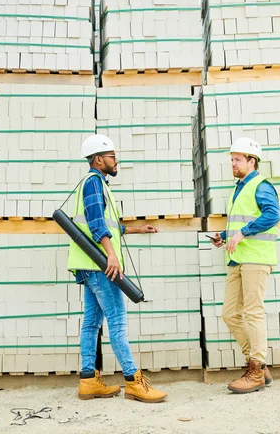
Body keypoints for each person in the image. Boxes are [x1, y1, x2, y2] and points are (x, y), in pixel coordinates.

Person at [68, 134, 167, 403]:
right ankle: (133, 382)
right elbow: (98, 224)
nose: (116, 159)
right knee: (118, 323)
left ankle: (89, 381)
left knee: (91, 324)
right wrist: (111, 255)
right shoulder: (93, 184)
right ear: (99, 159)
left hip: (89, 266)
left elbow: (106, 225)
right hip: (101, 266)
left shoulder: (94, 184)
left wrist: (135, 229)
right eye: (112, 155)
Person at [211, 137, 280, 394]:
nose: (233, 163)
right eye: (231, 159)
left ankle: (255, 370)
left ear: (252, 161)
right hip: (237, 258)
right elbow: (239, 223)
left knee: (253, 313)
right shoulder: (238, 188)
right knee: (230, 314)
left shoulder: (261, 185)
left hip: (256, 258)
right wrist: (225, 237)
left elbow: (273, 215)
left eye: (237, 159)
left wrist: (243, 232)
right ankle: (259, 366)